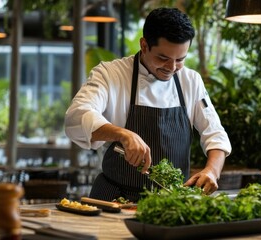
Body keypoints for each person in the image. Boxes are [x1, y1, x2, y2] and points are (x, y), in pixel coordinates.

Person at [64, 7, 231, 202]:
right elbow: (76, 116)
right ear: (144, 45)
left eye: (180, 59)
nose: (171, 68)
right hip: (115, 199)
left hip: (172, 202)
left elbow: (215, 134)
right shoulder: (110, 74)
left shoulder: (190, 81)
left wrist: (212, 170)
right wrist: (122, 134)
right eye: (163, 58)